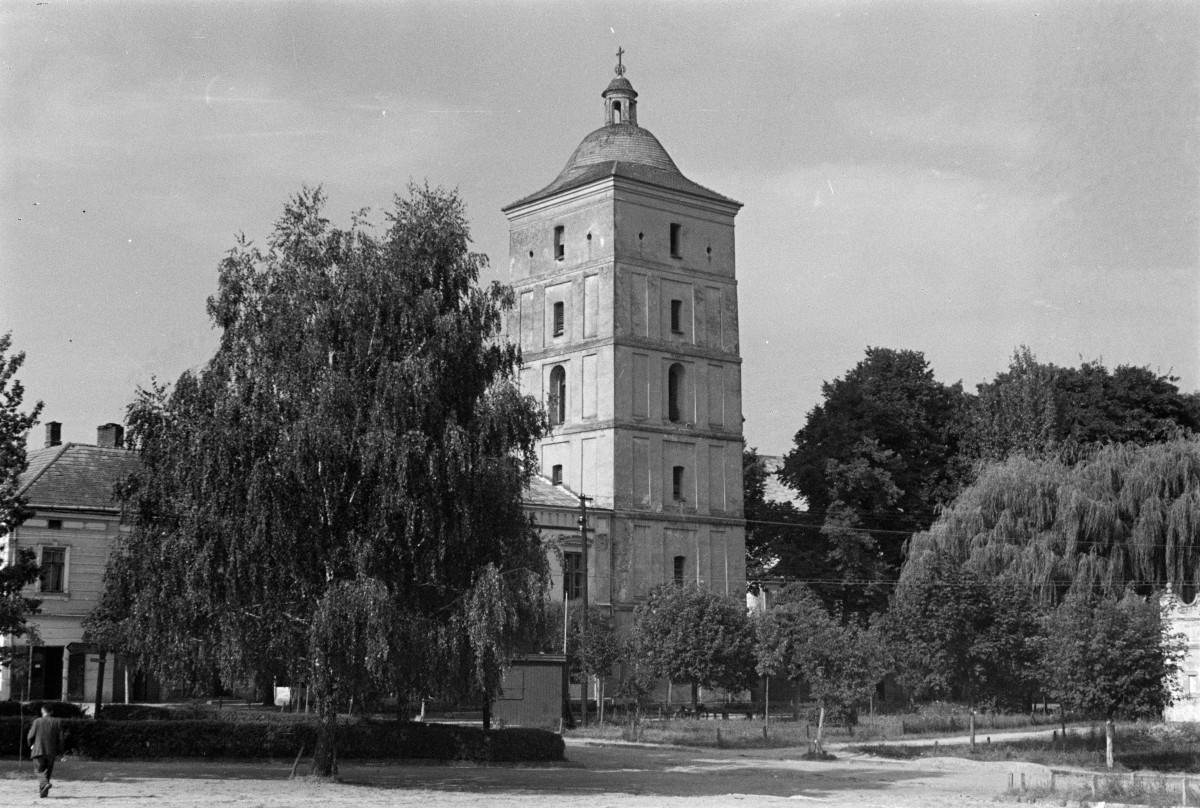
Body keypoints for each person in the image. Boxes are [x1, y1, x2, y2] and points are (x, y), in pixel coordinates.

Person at [27, 704, 65, 799]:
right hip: (51, 751)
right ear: (51, 712)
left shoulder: (37, 721)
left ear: (42, 711)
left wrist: (31, 745)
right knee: (47, 772)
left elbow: (30, 736)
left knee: (38, 771)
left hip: (38, 750)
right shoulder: (57, 721)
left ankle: (45, 784)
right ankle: (43, 793)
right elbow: (61, 739)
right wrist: (61, 752)